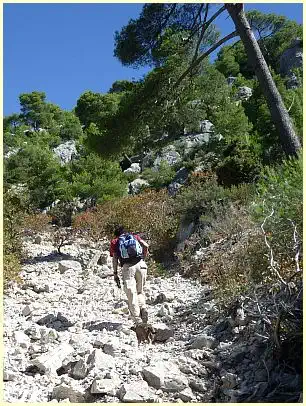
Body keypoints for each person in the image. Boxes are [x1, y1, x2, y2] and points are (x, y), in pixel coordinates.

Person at [110, 225, 149, 324]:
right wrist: (143, 258)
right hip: (141, 265)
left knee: (131, 294)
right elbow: (146, 245)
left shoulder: (115, 241)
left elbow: (115, 258)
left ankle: (137, 320)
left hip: (128, 268)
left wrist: (115, 273)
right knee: (139, 291)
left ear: (116, 234)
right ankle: (143, 308)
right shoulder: (134, 236)